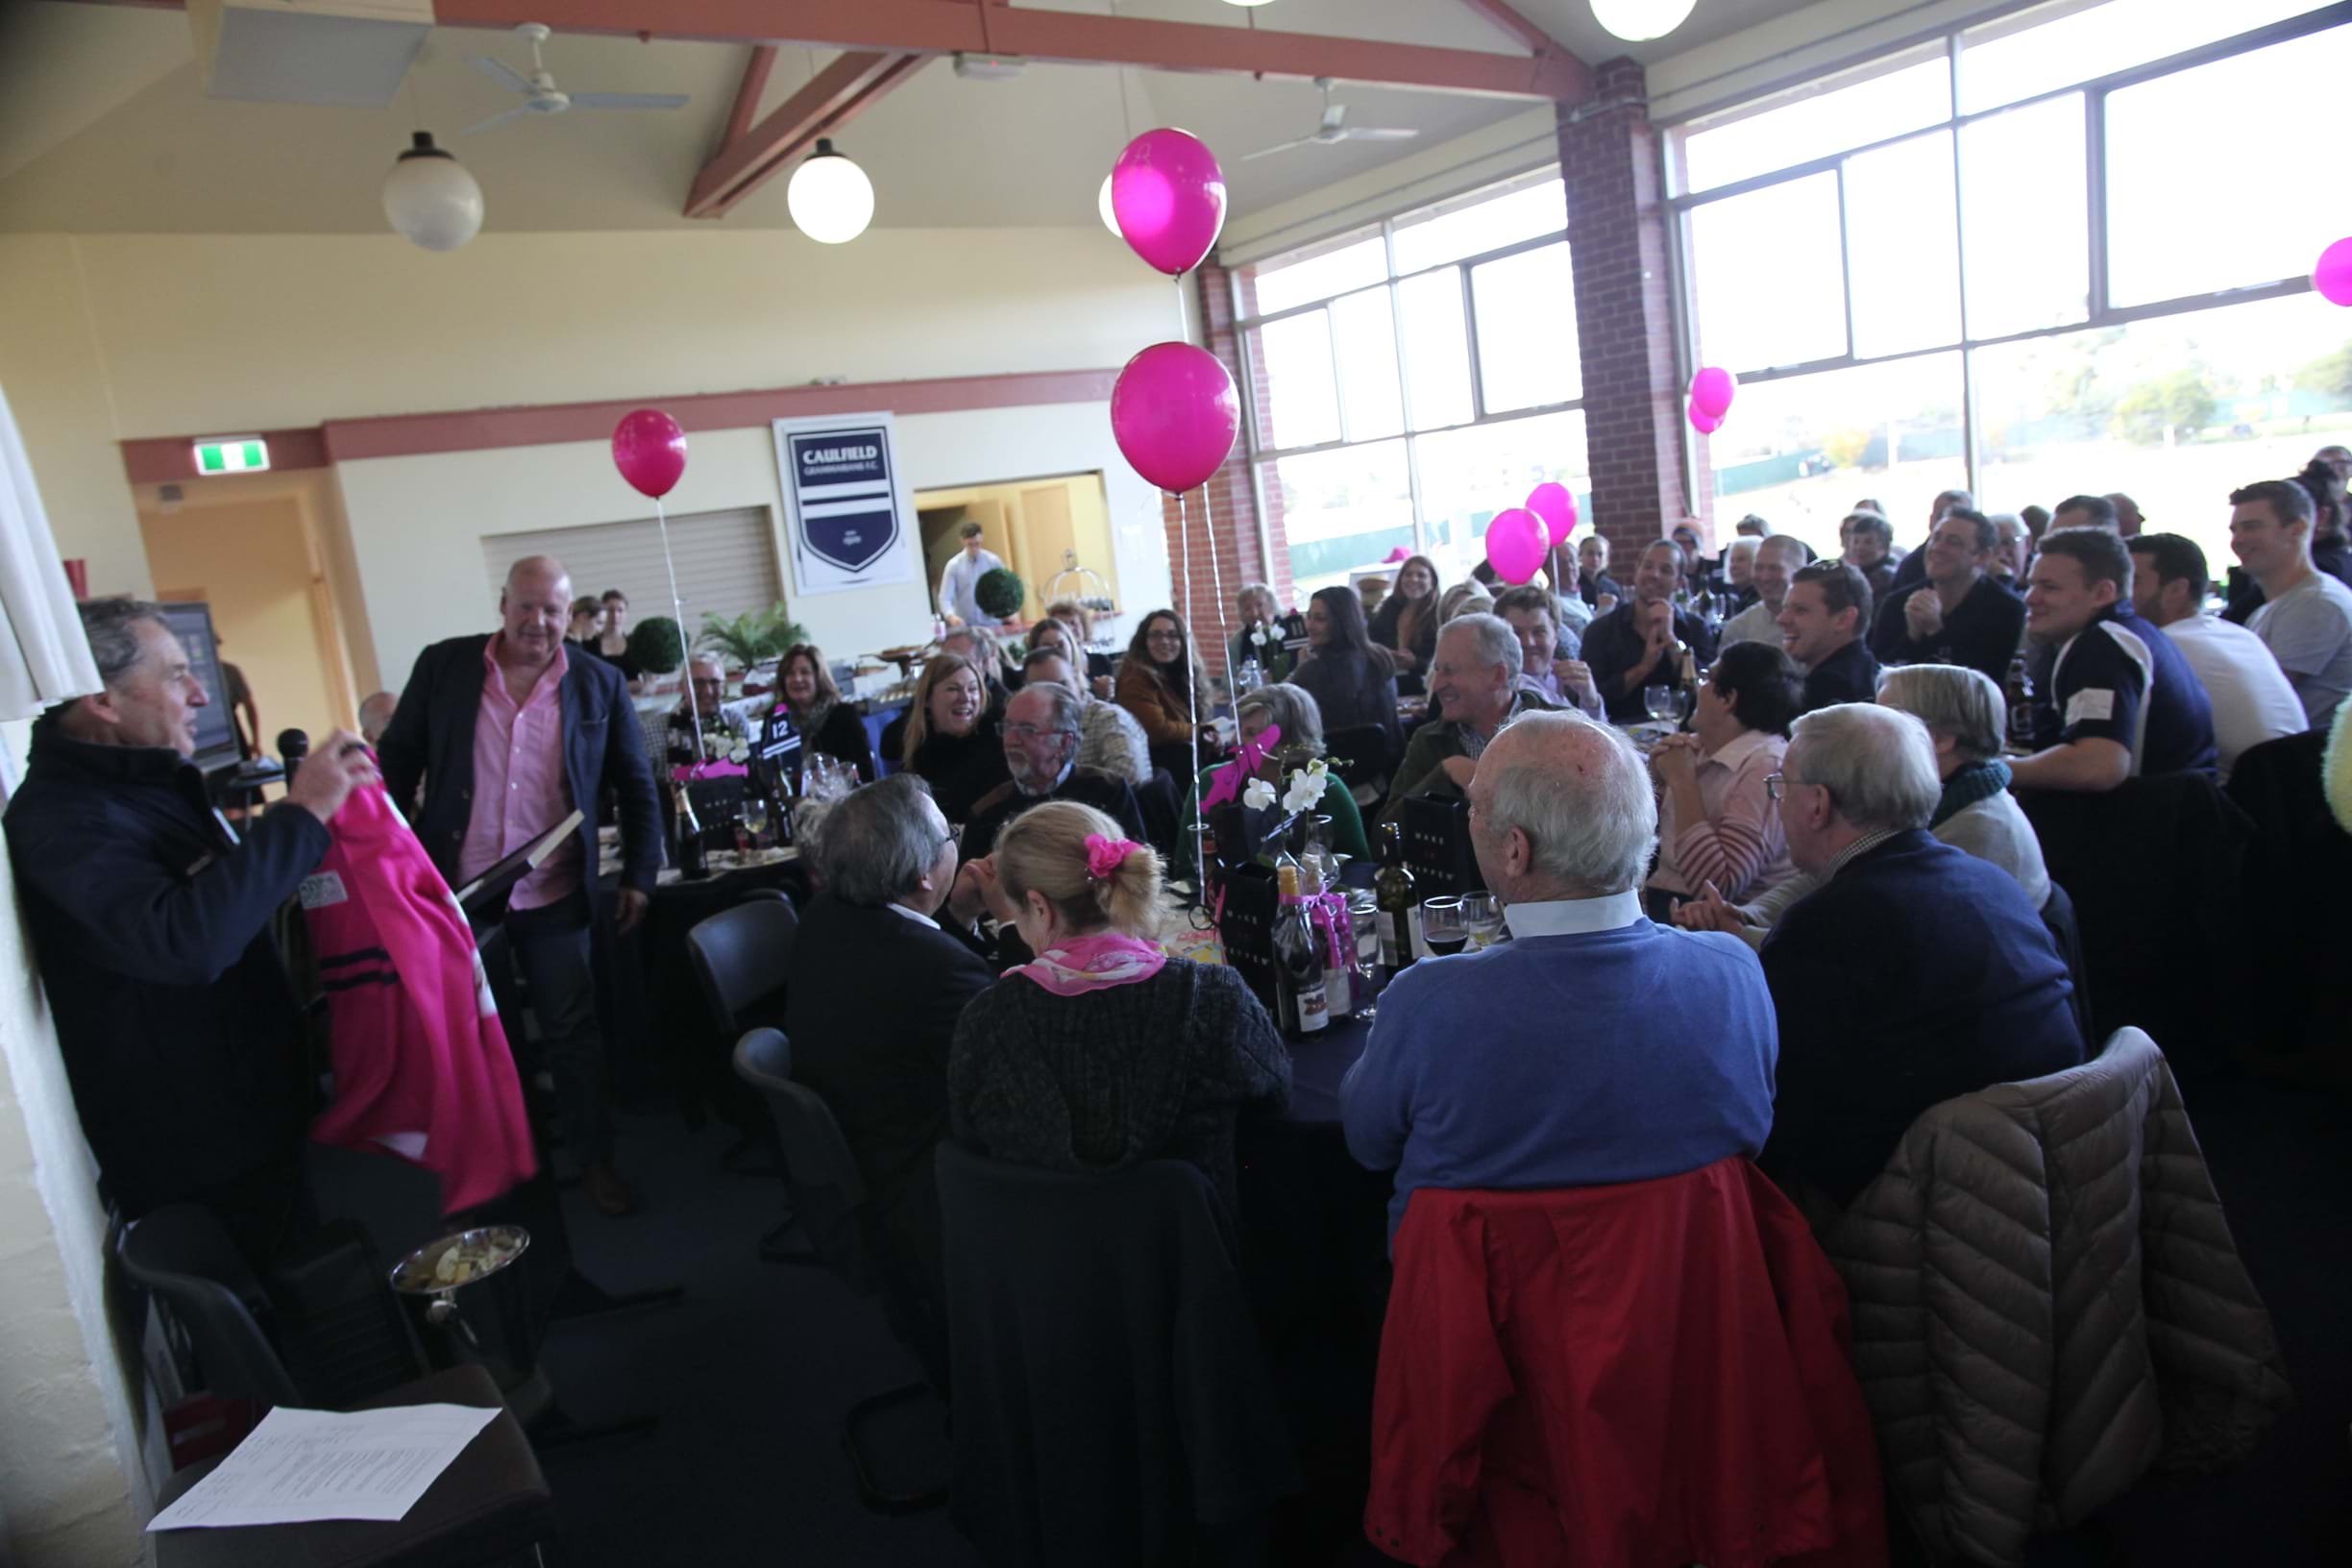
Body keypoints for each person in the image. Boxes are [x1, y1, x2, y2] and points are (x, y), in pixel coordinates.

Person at [5, 600, 376, 1265]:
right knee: (283, 1301)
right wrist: (302, 814)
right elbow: (186, 942)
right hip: (203, 1153)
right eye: (177, 675)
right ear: (101, 700)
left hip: (252, 1114)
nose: (203, 695)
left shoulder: (144, 783)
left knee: (318, 1278)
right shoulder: (61, 821)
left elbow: (220, 900)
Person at [1340, 711, 1777, 1242]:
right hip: (1691, 1283)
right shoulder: (1736, 974)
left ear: (1515, 849)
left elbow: (1366, 1145)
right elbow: (1752, 1139)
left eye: (1475, 808)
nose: (1470, 819)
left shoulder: (1427, 1003)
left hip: (1474, 1291)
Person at [377, 554, 662, 1217]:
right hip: (462, 900)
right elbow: (396, 761)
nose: (538, 621)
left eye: (552, 610)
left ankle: (595, 1162)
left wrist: (640, 875)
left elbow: (635, 782)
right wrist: (394, 860)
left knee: (573, 1035)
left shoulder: (597, 682)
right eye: (526, 606)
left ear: (570, 614)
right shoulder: (444, 667)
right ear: (503, 605)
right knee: (488, 1042)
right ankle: (514, 1170)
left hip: (554, 893)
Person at [1754, 704, 2082, 1205]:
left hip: (1931, 1201)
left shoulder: (1830, 924)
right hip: (2058, 1165)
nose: (1778, 802)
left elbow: (1778, 1114)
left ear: (1818, 805)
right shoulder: (1991, 880)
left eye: (1782, 786)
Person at [947, 802, 1289, 1227]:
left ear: (1038, 907)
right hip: (1197, 1255)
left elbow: (970, 1141)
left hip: (1043, 1258)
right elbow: (1278, 1102)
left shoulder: (984, 1024)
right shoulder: (1216, 1001)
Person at [785, 774, 996, 1325]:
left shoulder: (823, 914)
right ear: (924, 874)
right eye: (950, 835)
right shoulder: (938, 971)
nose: (957, 841)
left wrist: (958, 919)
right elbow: (1007, 1076)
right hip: (926, 1182)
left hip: (860, 1149)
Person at [1678, 666, 2056, 943]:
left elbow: (1846, 945)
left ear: (1939, 739)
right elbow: (1826, 873)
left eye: (1885, 716)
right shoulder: (1932, 801)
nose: (1867, 726)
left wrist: (1740, 934)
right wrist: (1746, 916)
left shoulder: (1981, 830)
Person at [2014, 527, 2217, 790]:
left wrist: (1997, 771)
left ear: (2102, 593)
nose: (2030, 598)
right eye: (2031, 585)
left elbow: (2097, 767)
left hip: (2149, 811)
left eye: (2049, 587)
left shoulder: (2103, 647)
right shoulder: (2135, 632)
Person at [2128, 533, 2305, 780]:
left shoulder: (2160, 648)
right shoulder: (2237, 634)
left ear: (2177, 589)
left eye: (2132, 581)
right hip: (2294, 786)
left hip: (2241, 794)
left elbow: (2124, 756)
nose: (2116, 593)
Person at [1646, 640, 1803, 914]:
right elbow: (1649, 843)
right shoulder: (1700, 748)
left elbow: (1719, 886)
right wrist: (1656, 783)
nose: (1699, 687)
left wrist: (1682, 781)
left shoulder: (1766, 767)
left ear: (1727, 698)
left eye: (1707, 679)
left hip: (1714, 918)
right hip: (1665, 898)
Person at [1384, 614, 1556, 821]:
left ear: (1498, 676)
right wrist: (1442, 777)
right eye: (1437, 670)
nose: (1437, 685)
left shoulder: (1559, 734)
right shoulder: (1429, 740)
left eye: (1450, 671)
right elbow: (1384, 831)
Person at [1183, 682, 1368, 873]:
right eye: (1238, 729)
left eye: (1250, 733)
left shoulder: (1326, 788)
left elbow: (1360, 870)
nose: (1235, 740)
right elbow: (1186, 870)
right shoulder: (1210, 782)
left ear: (1288, 742)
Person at [960, 681, 1147, 862]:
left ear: (1064, 743)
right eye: (1007, 727)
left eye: (1028, 730)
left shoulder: (1108, 791)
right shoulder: (987, 812)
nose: (1011, 740)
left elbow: (1138, 868)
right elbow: (968, 880)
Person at [2234, 478, 2352, 728]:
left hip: (2303, 751)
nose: (2237, 540)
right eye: (2235, 530)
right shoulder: (2272, 607)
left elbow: (2264, 699)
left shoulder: (2316, 603)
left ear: (2297, 529)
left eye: (2251, 527)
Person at [1867, 506, 2027, 686]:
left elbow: (1982, 688)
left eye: (1953, 542)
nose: (1937, 548)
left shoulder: (2006, 610)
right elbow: (1876, 678)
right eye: (1935, 538)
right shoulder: (1897, 603)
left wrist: (1936, 633)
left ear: (1982, 556)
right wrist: (1912, 637)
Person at [1583, 539, 1720, 722]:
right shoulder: (1601, 630)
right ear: (1636, 572)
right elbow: (1593, 697)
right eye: (1647, 566)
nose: (1654, 575)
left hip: (1683, 730)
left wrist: (1671, 642)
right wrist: (1644, 667)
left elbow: (1707, 694)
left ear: (1679, 582)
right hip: (1620, 731)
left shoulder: (1697, 628)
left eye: (1665, 570)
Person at [886, 652, 1008, 824]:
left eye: (973, 689)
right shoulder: (917, 750)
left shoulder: (996, 746)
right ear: (927, 699)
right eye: (953, 689)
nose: (965, 698)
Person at [1287, 584, 1402, 758]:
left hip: (1336, 767)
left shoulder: (1312, 671)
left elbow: (1283, 713)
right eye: (1308, 617)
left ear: (1341, 622)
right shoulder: (1381, 657)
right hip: (1389, 763)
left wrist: (1299, 668)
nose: (1309, 625)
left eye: (1320, 619)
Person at [1021, 646, 1150, 787]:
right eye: (1044, 691)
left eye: (1063, 685)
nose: (1056, 696)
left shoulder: (1108, 718)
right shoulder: (1031, 730)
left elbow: (1129, 777)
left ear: (1077, 681)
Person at [1114, 609, 1212, 779]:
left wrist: (1208, 736)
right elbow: (1157, 730)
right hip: (1157, 760)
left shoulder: (1179, 672)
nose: (1165, 641)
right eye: (1155, 635)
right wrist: (1200, 732)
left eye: (1172, 635)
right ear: (1144, 641)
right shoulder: (1134, 677)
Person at [1778, 561, 1881, 713]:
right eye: (1785, 608)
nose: (1781, 619)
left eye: (1800, 610)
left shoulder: (1829, 688)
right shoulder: (1868, 670)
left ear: (1844, 619)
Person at [771, 642, 876, 788]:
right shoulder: (776, 720)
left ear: (819, 677)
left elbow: (866, 773)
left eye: (805, 672)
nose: (797, 679)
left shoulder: (844, 715)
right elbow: (769, 775)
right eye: (790, 673)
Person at [1492, 584, 1602, 718]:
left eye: (1539, 632)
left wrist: (1591, 700)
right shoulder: (1503, 690)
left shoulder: (1565, 675)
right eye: (1516, 633)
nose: (1529, 643)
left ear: (1556, 636)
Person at [1367, 553, 1442, 693]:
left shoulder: (1440, 613)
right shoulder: (1389, 607)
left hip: (1425, 685)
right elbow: (1370, 643)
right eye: (1408, 574)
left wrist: (1416, 663)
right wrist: (1386, 653)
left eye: (1421, 575)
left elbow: (1446, 661)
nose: (1413, 579)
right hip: (1388, 682)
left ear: (1433, 582)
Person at [1882, 487, 1977, 598]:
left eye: (1961, 516)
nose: (1950, 523)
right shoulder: (1911, 567)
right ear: (1931, 521)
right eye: (1943, 517)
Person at [1720, 534, 1806, 649]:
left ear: (1799, 571)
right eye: (1758, 568)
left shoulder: (1821, 623)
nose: (1765, 577)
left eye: (1774, 568)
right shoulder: (1740, 630)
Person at [1228, 581, 1305, 686]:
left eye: (1259, 605)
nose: (1254, 613)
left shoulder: (1293, 631)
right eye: (1247, 609)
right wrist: (1255, 681)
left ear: (1272, 605)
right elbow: (1228, 682)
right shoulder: (1237, 643)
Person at [937, 520, 1008, 628]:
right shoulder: (954, 565)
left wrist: (1009, 611)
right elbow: (945, 597)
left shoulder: (993, 561)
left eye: (977, 544)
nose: (974, 548)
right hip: (966, 625)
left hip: (992, 623)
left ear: (982, 539)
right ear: (962, 541)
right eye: (970, 545)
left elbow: (1006, 589)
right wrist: (951, 616)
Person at [666, 652, 729, 769]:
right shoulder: (653, 730)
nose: (708, 691)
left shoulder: (736, 722)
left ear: (724, 686)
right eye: (698, 683)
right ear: (681, 687)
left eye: (715, 682)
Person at [942, 622, 1019, 702]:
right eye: (945, 660)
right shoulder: (939, 693)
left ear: (985, 662)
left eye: (961, 661)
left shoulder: (1004, 704)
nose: (950, 667)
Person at [1838, 508, 1899, 602]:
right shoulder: (1858, 571)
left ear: (1885, 547)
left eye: (1868, 542)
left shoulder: (1884, 577)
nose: (1860, 547)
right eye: (1856, 541)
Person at [596, 588, 637, 675]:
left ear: (626, 614)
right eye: (610, 610)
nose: (615, 615)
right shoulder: (590, 644)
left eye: (620, 610)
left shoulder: (635, 644)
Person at [1578, 532, 1624, 609]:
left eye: (1600, 554)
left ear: (1607, 559)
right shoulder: (1573, 586)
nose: (1595, 559)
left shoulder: (1612, 587)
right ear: (1580, 555)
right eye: (1590, 553)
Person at [1989, 512, 2033, 589]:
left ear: (2027, 543)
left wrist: (2004, 580)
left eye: (2007, 542)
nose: (2001, 553)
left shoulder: (2044, 574)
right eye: (1993, 544)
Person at [1723, 535, 1761, 612]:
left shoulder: (1762, 599)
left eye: (1741, 560)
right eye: (1732, 560)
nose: (1734, 566)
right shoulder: (1734, 597)